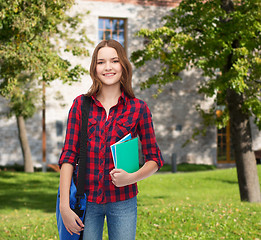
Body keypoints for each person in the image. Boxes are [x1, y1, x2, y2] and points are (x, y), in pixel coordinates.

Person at [58, 39, 164, 240]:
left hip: (123, 201)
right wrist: (65, 205)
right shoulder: (80, 105)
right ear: (94, 68)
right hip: (85, 202)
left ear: (123, 65)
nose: (108, 67)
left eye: (114, 61)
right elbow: (68, 157)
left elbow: (155, 159)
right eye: (101, 62)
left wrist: (131, 178)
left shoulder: (138, 108)